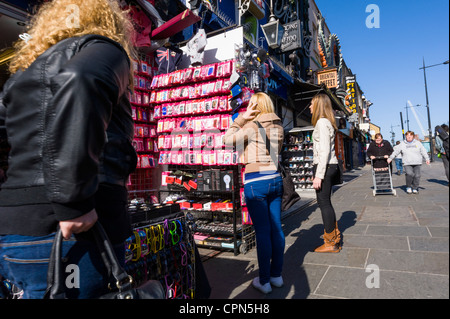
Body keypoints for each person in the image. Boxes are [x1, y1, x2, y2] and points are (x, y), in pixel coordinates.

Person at [0, 0, 137, 299]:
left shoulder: (21, 77)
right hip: (74, 229)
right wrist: (74, 202)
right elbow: (81, 80)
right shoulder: (105, 50)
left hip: (16, 232)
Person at [224, 92, 284, 294]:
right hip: (275, 179)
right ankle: (276, 276)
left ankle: (264, 281)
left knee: (262, 231)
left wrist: (241, 118)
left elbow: (228, 140)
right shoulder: (278, 126)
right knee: (276, 229)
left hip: (256, 181)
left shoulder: (251, 126)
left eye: (251, 104)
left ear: (255, 106)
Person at [309, 94, 341, 253]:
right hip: (329, 166)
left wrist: (319, 175)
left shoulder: (321, 123)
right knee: (326, 203)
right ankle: (333, 238)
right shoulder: (326, 122)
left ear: (319, 106)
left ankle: (331, 243)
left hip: (325, 166)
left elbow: (324, 151)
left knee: (324, 203)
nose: (309, 107)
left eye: (311, 104)